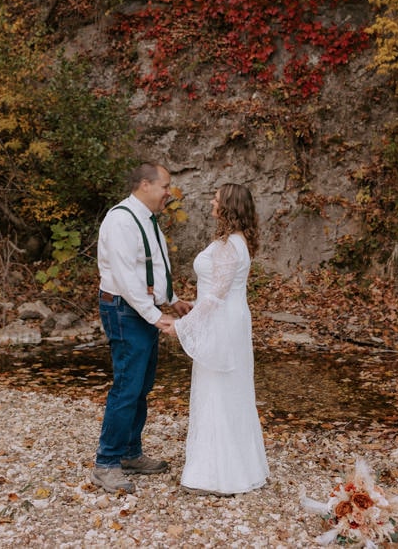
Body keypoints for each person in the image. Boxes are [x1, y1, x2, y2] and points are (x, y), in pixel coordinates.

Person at [161, 182, 269, 495]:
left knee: (217, 390)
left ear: (228, 208)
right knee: (229, 390)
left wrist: (182, 326)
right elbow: (215, 295)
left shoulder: (228, 246)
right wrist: (190, 309)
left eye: (216, 199)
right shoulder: (237, 242)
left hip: (223, 321)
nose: (211, 202)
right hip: (229, 318)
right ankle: (237, 466)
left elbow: (215, 298)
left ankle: (216, 476)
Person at [91, 162, 192, 493]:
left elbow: (155, 267)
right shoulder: (121, 220)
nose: (169, 193)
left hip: (141, 308)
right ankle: (106, 463)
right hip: (124, 310)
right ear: (145, 184)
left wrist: (173, 300)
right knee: (126, 386)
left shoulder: (149, 221)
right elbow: (125, 277)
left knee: (142, 385)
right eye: (165, 186)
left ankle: (131, 453)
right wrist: (155, 317)